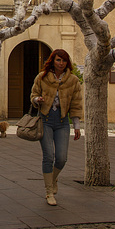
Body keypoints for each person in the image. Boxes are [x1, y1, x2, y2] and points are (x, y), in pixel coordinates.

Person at [30, 49, 82, 206]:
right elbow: (33, 95)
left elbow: (76, 104)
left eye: (64, 61)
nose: (61, 63)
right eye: (58, 60)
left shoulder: (73, 81)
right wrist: (37, 100)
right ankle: (49, 191)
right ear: (52, 60)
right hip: (45, 120)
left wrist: (77, 125)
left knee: (61, 157)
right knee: (48, 156)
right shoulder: (42, 77)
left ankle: (52, 179)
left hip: (62, 122)